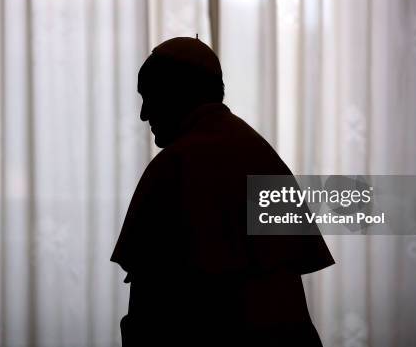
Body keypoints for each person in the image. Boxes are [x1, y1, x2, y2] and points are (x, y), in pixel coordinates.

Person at [111, 37, 334, 346]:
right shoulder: (261, 154)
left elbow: (152, 302)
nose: (144, 114)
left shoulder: (173, 165)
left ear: (178, 93)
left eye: (150, 97)